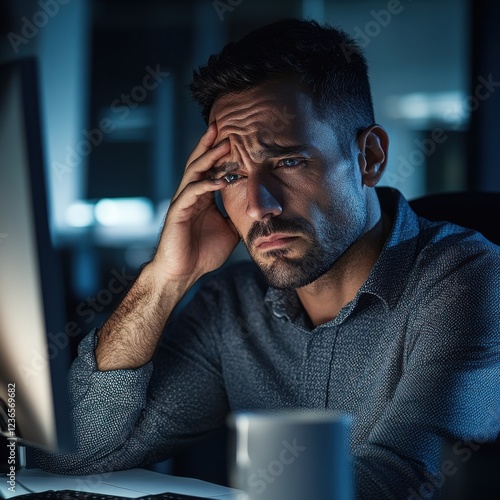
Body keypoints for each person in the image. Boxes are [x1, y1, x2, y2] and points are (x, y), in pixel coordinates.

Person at [37, 18, 500, 499]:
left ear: (370, 157)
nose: (259, 206)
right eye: (232, 176)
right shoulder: (232, 304)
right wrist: (165, 277)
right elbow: (68, 457)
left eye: (288, 161)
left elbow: (405, 481)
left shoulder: (470, 280)